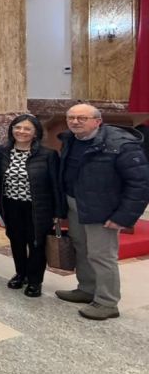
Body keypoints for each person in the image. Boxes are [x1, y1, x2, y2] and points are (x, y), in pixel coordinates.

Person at [54, 104, 149, 319]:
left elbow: (140, 184)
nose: (75, 122)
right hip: (75, 204)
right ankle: (87, 289)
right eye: (71, 118)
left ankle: (107, 302)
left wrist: (123, 217)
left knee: (102, 255)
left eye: (82, 118)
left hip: (103, 209)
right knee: (82, 248)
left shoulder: (120, 144)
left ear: (98, 121)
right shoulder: (70, 140)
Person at [0, 114, 62, 298]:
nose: (21, 131)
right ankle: (21, 274)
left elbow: (56, 184)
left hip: (38, 207)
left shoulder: (48, 155)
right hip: (11, 205)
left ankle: (35, 281)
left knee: (36, 243)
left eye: (27, 128)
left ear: (36, 133)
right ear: (12, 130)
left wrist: (58, 211)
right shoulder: (1, 152)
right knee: (17, 241)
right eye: (18, 127)